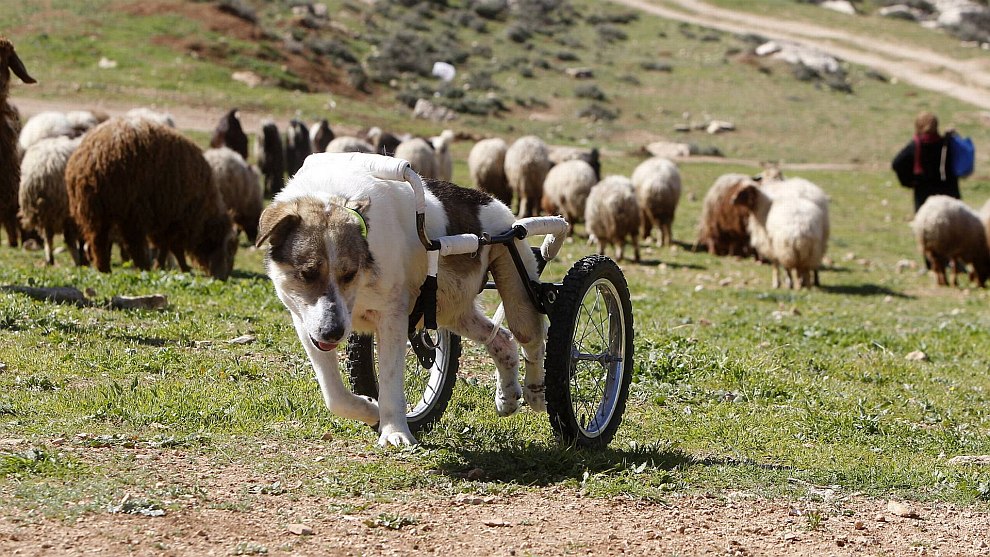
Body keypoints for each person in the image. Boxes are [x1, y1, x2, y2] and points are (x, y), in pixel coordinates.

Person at [891, 111, 960, 213]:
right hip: (949, 197)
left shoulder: (915, 146)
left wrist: (908, 181)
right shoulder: (946, 144)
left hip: (924, 199)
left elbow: (896, 163)